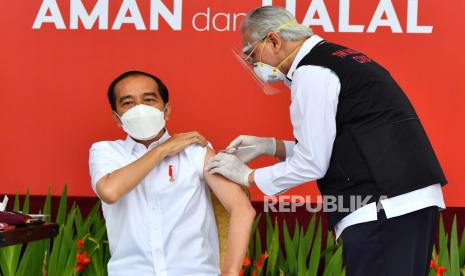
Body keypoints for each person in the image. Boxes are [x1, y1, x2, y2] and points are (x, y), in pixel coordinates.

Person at [206, 6, 447, 276]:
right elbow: (340, 142)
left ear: (274, 40)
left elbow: (313, 162)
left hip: (382, 208)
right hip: (404, 202)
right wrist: (272, 147)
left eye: (252, 54)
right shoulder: (340, 59)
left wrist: (249, 176)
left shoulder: (313, 72)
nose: (253, 65)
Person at [89, 70, 256, 276]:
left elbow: (242, 208)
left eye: (149, 99)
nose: (140, 108)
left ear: (166, 110)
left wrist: (230, 272)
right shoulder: (106, 151)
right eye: (128, 103)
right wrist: (162, 150)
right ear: (117, 117)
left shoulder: (196, 151)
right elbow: (109, 191)